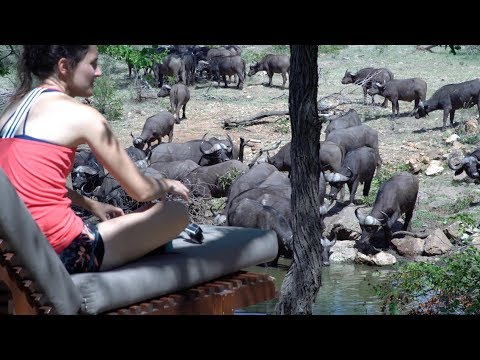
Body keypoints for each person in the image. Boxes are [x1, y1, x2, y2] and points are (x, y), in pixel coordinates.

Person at [0, 45, 190, 274]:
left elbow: (29, 187)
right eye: (92, 63)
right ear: (64, 66)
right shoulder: (83, 116)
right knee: (175, 212)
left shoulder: (11, 111)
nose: (98, 72)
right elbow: (141, 191)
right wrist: (168, 184)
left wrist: (91, 204)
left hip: (11, 251)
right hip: (60, 251)